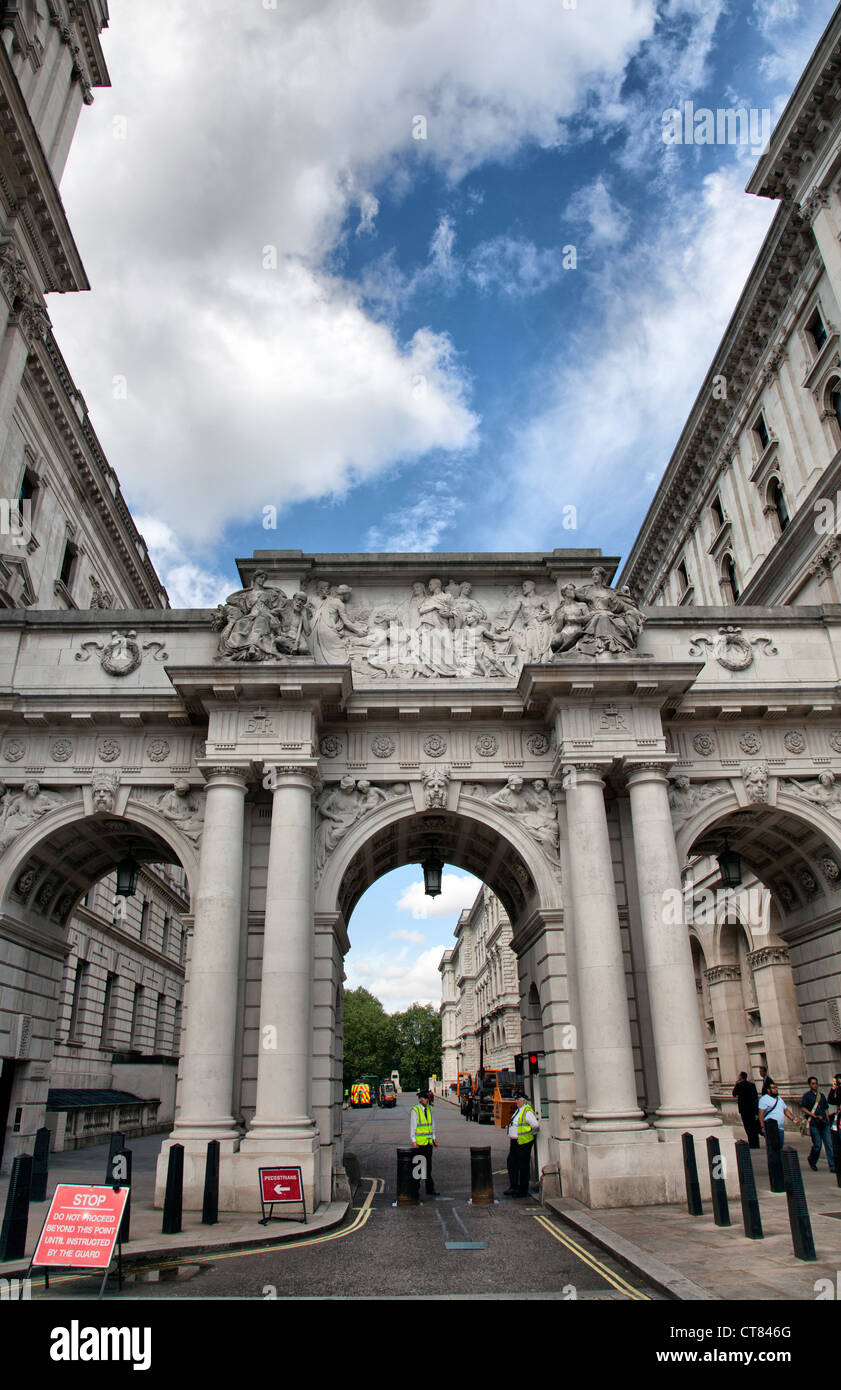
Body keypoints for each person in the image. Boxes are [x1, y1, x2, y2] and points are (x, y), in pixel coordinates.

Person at [504, 1089, 540, 1197]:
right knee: (511, 1163)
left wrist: (529, 1135)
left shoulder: (527, 1111)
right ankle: (513, 1186)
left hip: (523, 1142)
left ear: (523, 1101)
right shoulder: (518, 1110)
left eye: (518, 1100)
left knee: (523, 1166)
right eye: (516, 1100)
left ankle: (523, 1189)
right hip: (515, 1142)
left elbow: (535, 1125)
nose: (517, 1102)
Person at [800, 1077, 836, 1173]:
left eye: (816, 1083)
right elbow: (803, 1108)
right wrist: (813, 1115)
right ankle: (812, 1160)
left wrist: (828, 1120)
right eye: (813, 1083)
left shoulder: (821, 1096)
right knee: (817, 1145)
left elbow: (826, 1108)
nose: (815, 1085)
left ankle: (832, 1166)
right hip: (814, 1123)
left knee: (829, 1144)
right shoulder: (807, 1096)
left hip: (824, 1123)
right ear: (809, 1085)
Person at [410, 1090, 438, 1197]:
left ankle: (430, 1189)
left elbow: (432, 1124)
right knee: (418, 1168)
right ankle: (415, 1190)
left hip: (428, 1143)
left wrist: (434, 1138)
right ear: (420, 1099)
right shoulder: (415, 1110)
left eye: (427, 1098)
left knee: (428, 1167)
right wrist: (413, 1140)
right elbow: (413, 1127)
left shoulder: (430, 1109)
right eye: (425, 1098)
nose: (427, 1100)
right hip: (419, 1144)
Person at [732, 1071, 761, 1149]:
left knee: (747, 1126)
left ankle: (752, 1143)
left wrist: (735, 1085)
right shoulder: (752, 1085)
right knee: (753, 1126)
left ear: (741, 1077)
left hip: (744, 1109)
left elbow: (734, 1094)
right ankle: (756, 1143)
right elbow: (755, 1097)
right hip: (752, 1109)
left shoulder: (739, 1085)